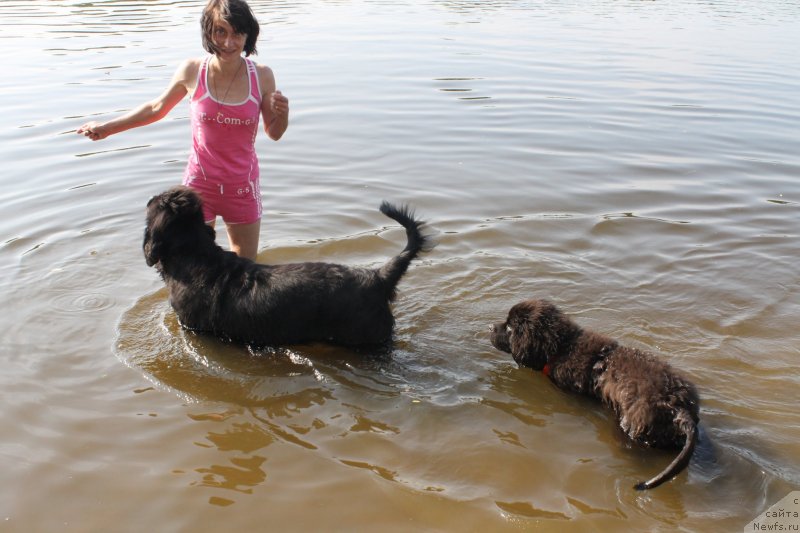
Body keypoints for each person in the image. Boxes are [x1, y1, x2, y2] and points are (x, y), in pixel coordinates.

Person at [77, 0, 289, 260]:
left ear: (248, 34)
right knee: (192, 267)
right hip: (198, 187)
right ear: (208, 32)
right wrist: (107, 128)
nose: (228, 42)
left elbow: (275, 133)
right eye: (220, 31)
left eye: (237, 33)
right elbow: (156, 108)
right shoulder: (192, 71)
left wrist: (282, 114)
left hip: (242, 187)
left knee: (245, 273)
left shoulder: (262, 76)